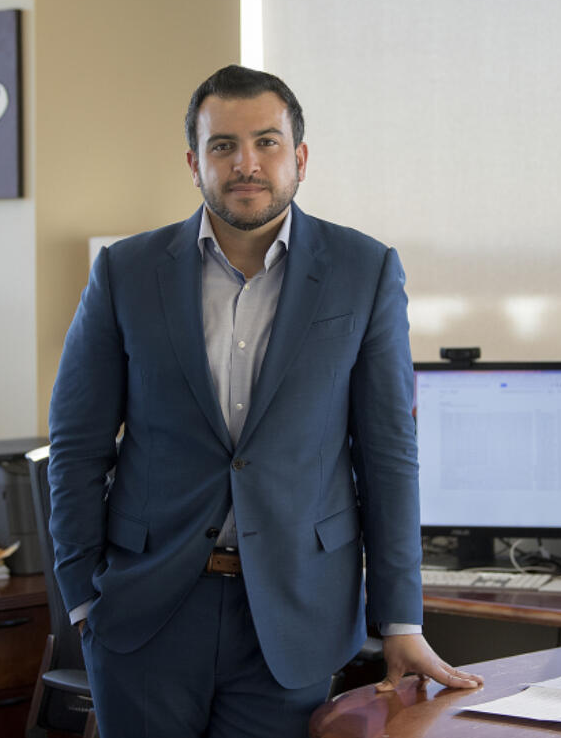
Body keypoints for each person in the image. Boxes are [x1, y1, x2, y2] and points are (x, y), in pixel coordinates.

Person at [47, 64, 481, 738]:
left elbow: (389, 454)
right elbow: (75, 446)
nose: (245, 163)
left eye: (266, 142)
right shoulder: (126, 272)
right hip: (147, 611)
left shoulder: (363, 271)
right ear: (194, 162)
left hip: (294, 614)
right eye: (223, 145)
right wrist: (81, 599)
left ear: (299, 157)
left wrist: (401, 618)